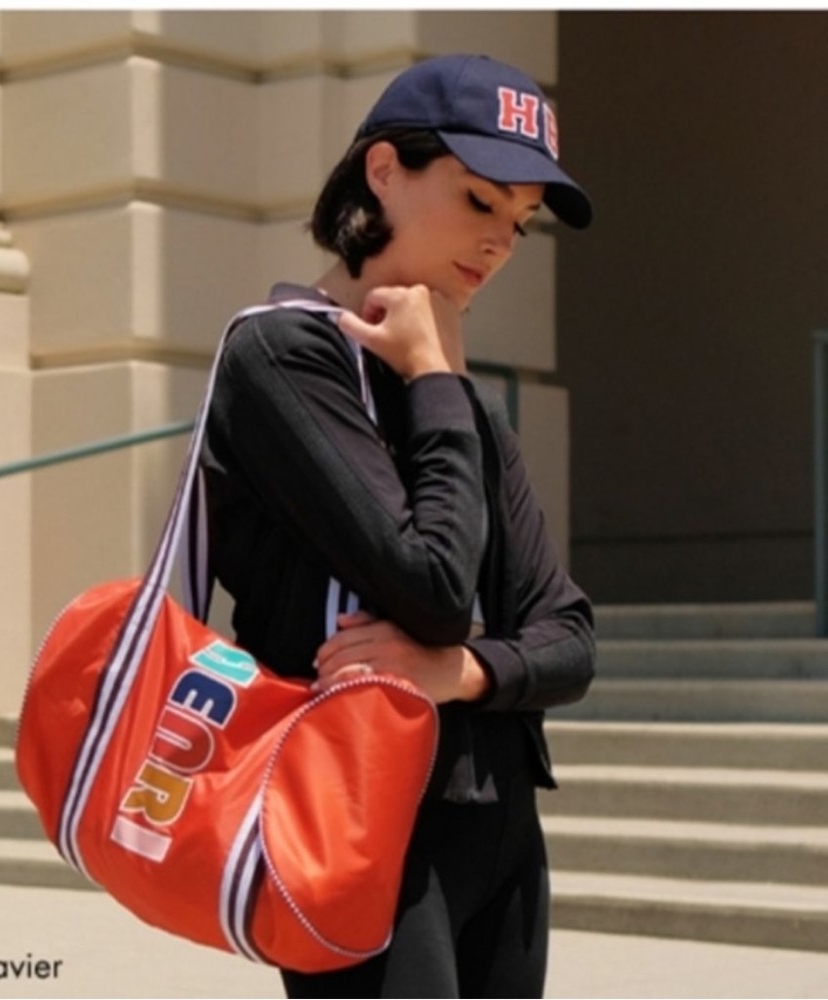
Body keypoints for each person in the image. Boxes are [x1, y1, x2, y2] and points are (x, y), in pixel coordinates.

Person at [201, 53, 596, 999]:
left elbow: (571, 640)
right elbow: (427, 586)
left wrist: (460, 670)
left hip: (502, 831)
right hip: (356, 821)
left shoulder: (463, 411)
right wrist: (432, 381)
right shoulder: (283, 354)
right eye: (478, 200)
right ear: (384, 171)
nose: (499, 242)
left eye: (519, 221)